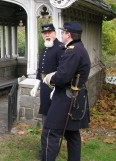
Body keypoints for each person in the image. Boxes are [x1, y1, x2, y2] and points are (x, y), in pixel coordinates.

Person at [42, 21, 91, 161]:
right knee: (72, 134)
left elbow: (62, 77)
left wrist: (50, 79)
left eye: (63, 32)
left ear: (68, 34)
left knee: (50, 132)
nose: (62, 35)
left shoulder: (72, 51)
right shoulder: (79, 48)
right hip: (75, 96)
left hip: (66, 98)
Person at [30, 23, 64, 124]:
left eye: (49, 33)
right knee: (45, 110)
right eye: (45, 33)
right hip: (44, 85)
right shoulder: (45, 47)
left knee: (54, 112)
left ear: (54, 33)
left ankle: (52, 135)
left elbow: (62, 70)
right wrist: (36, 86)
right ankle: (46, 134)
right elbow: (40, 69)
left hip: (55, 86)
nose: (47, 35)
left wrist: (56, 88)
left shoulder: (60, 48)